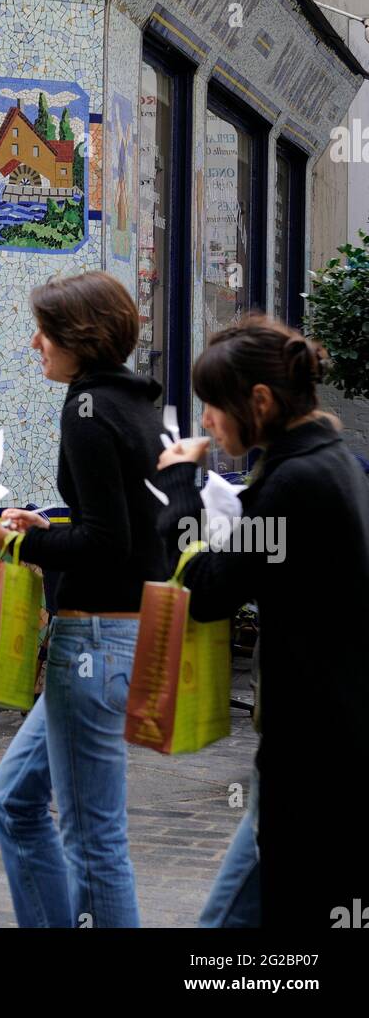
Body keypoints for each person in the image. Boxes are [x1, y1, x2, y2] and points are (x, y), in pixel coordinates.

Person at [0, 273, 168, 928]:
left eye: (43, 330)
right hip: (116, 632)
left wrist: (3, 541)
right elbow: (122, 530)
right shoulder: (129, 402)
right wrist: (49, 530)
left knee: (93, 837)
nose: (33, 343)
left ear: (80, 336)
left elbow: (108, 542)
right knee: (14, 799)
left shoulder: (87, 411)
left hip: (96, 640)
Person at [156, 314, 369, 928]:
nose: (205, 422)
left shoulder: (297, 479)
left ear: (260, 400)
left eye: (212, 406)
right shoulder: (327, 459)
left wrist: (177, 485)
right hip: (326, 736)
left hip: (317, 750)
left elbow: (206, 592)